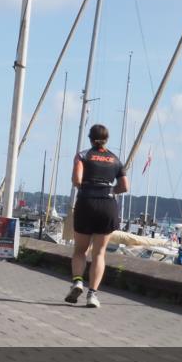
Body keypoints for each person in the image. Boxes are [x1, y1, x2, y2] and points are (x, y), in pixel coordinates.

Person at [66, 124, 129, 309]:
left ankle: (77, 281)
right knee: (99, 253)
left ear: (90, 138)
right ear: (106, 139)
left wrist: (87, 189)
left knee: (80, 250)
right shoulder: (115, 159)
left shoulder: (82, 155)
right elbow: (125, 186)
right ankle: (92, 295)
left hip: (86, 203)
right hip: (107, 205)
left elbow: (76, 180)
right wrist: (109, 190)